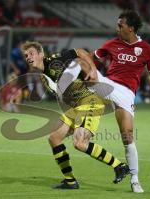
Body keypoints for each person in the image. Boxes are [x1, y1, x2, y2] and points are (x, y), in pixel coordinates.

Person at [20, 41, 130, 189]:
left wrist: (92, 69)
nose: (28, 57)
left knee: (80, 143)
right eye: (26, 55)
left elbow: (79, 53)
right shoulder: (43, 77)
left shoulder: (54, 61)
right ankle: (70, 181)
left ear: (41, 54)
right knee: (54, 138)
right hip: (77, 107)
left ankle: (119, 166)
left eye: (31, 53)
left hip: (90, 102)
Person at [83, 10, 150, 193]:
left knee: (127, 135)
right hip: (108, 83)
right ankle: (58, 82)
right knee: (82, 59)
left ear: (130, 28)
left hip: (126, 93)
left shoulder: (148, 50)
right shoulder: (112, 44)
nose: (117, 28)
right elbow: (91, 56)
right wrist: (90, 69)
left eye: (120, 25)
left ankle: (135, 180)